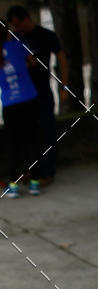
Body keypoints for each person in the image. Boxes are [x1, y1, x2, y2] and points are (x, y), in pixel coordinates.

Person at [7, 5, 69, 183]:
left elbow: (62, 59)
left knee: (47, 131)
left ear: (26, 19)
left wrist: (64, 87)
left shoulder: (46, 35)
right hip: (24, 95)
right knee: (29, 135)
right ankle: (32, 171)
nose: (17, 29)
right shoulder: (16, 39)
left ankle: (48, 172)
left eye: (18, 24)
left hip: (42, 90)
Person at [0, 22, 41, 199]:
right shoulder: (18, 45)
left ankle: (13, 185)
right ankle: (34, 183)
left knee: (13, 145)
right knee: (32, 140)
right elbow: (33, 62)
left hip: (10, 104)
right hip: (29, 99)